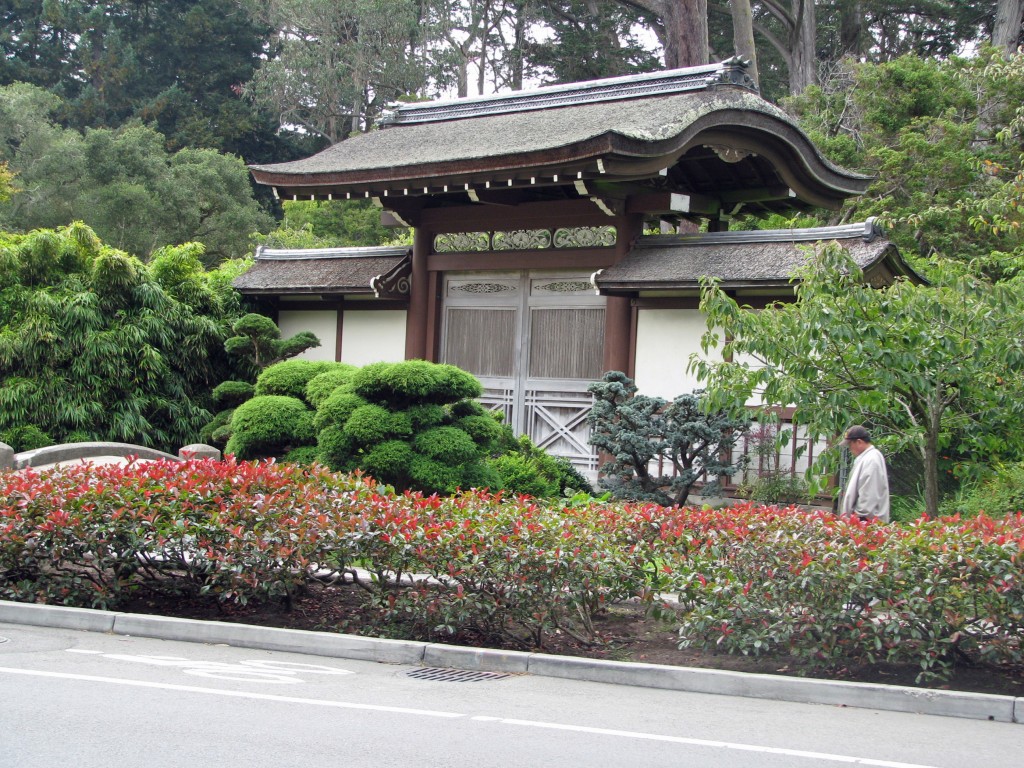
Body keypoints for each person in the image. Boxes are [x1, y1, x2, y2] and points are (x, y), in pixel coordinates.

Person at [840, 425, 890, 523]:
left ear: (859, 442)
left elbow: (868, 497)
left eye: (850, 444)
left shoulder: (872, 459)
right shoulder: (867, 457)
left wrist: (857, 518)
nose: (850, 448)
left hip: (866, 522)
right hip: (864, 520)